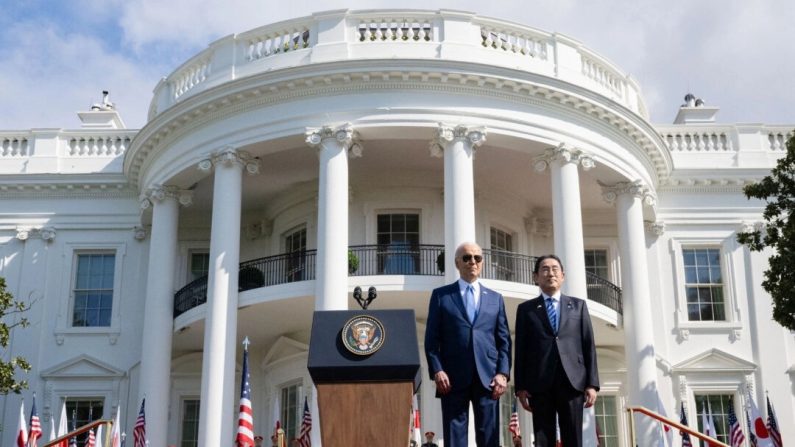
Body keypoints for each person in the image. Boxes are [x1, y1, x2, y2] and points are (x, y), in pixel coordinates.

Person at [425, 242, 512, 447]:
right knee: (454, 436)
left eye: (477, 258)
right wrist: (437, 370)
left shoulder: (495, 299)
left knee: (489, 435)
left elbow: (504, 341)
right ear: (457, 263)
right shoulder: (441, 296)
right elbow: (431, 340)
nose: (472, 261)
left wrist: (503, 373)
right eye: (466, 258)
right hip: (452, 377)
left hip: (489, 378)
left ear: (481, 263)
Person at [513, 254, 599, 447]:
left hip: (573, 381)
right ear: (535, 277)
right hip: (539, 383)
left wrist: (592, 384)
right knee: (543, 438)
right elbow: (521, 350)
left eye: (554, 269)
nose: (550, 273)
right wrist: (520, 387)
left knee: (573, 437)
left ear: (563, 275)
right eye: (544, 269)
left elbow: (588, 345)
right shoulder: (526, 310)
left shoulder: (578, 306)